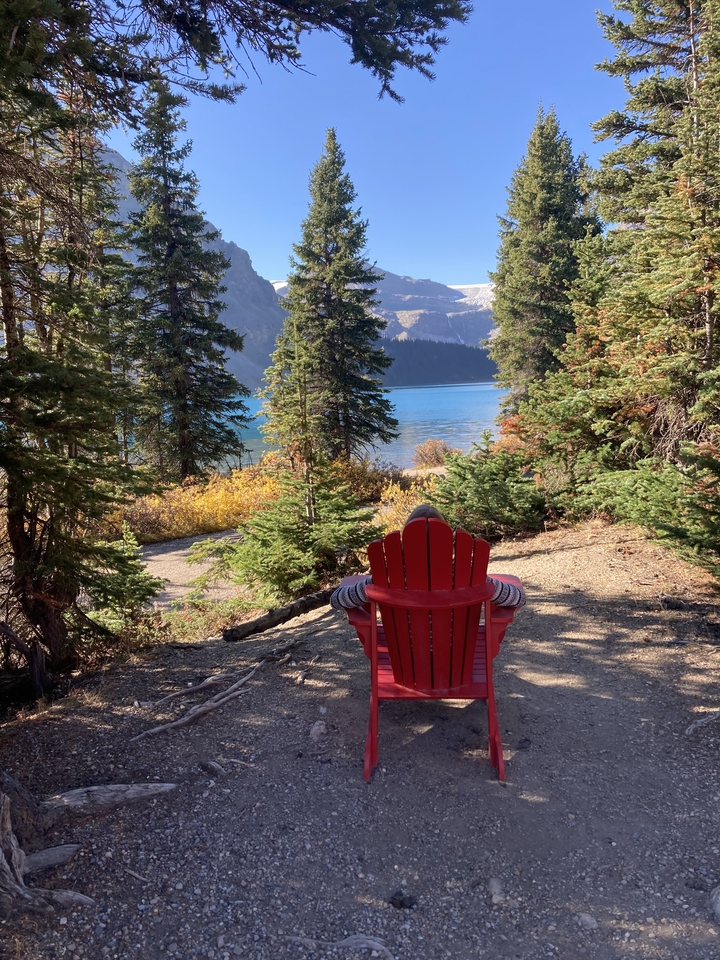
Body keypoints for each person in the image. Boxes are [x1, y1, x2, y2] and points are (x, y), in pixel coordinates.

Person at [330, 504, 526, 611]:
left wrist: (368, 592)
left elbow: (337, 600)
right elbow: (518, 598)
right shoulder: (467, 575)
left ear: (404, 543)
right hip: (456, 662)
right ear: (448, 542)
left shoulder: (388, 578)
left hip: (405, 660)